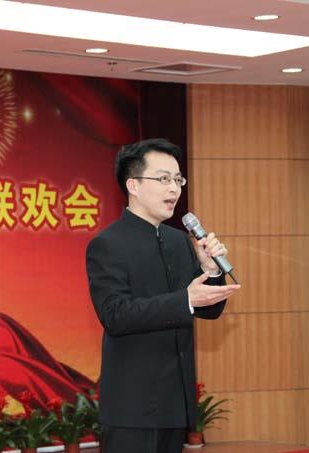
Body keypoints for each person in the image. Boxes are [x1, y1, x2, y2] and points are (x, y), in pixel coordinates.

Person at [85, 138, 240, 453]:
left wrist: (210, 270)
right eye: (164, 179)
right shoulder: (108, 244)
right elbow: (115, 314)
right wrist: (185, 300)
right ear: (133, 185)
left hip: (174, 403)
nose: (174, 189)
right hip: (132, 407)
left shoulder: (179, 241)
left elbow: (208, 310)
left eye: (178, 180)